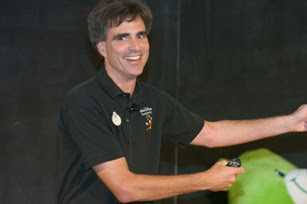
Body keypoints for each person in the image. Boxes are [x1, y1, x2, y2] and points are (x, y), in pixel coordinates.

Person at [57, 0, 307, 203]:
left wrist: (291, 122)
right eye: (122, 38)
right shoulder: (83, 101)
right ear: (102, 48)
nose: (135, 47)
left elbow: (212, 133)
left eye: (141, 35)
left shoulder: (153, 100)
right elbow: (126, 188)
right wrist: (206, 180)